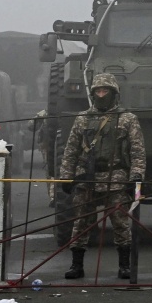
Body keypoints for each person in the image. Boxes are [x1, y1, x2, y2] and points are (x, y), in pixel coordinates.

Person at [59, 73, 146, 280]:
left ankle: (124, 266)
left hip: (115, 178)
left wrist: (136, 175)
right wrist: (66, 177)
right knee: (81, 223)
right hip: (86, 178)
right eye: (97, 91)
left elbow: (137, 150)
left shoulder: (127, 119)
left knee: (120, 223)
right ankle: (76, 265)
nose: (101, 95)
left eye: (105, 90)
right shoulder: (82, 119)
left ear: (114, 93)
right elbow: (71, 150)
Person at [27, 109, 55, 207]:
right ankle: (52, 197)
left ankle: (54, 196)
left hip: (60, 145)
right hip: (47, 146)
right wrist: (39, 118)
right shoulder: (46, 113)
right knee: (50, 171)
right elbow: (31, 126)